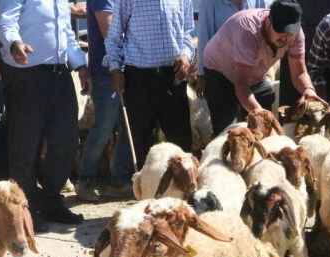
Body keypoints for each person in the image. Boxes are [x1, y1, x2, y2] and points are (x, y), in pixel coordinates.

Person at [0, 0, 89, 230]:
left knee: (65, 141)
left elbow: (66, 32)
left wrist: (80, 65)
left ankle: (51, 200)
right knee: (25, 145)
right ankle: (24, 208)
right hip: (27, 75)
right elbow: (6, 21)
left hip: (59, 74)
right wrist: (14, 43)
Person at [201, 0, 326, 136]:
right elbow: (241, 84)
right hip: (220, 70)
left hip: (253, 72)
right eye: (280, 31)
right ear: (268, 21)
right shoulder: (248, 30)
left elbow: (299, 73)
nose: (285, 38)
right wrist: (259, 112)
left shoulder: (297, 36)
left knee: (263, 118)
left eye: (290, 33)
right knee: (227, 128)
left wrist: (308, 89)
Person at [105, 0, 196, 170]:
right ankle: (147, 190)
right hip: (139, 78)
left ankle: (183, 191)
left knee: (181, 142)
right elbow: (114, 38)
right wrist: (115, 68)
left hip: (173, 77)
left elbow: (187, 33)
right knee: (142, 144)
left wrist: (185, 55)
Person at [76, 0, 133, 201]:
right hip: (106, 71)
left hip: (123, 67)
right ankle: (85, 180)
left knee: (127, 126)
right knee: (104, 127)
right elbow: (109, 31)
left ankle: (119, 180)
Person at [195, 0, 270, 97]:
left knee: (263, 103)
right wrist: (201, 75)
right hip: (221, 74)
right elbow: (204, 37)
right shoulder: (209, 3)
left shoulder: (259, 1)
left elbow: (267, 30)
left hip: (251, 73)